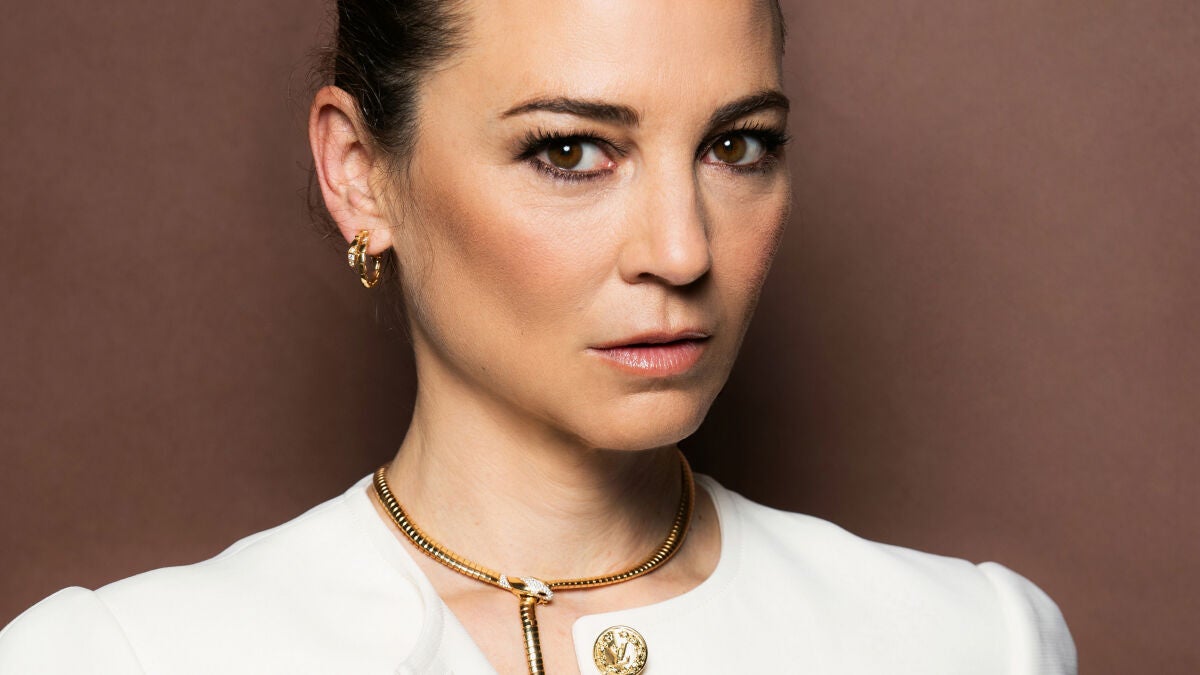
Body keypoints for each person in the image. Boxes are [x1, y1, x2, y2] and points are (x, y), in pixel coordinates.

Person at [0, 0, 1077, 673]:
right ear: (360, 175)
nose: (681, 250)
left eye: (737, 145)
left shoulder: (975, 644)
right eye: (569, 151)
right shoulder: (118, 660)